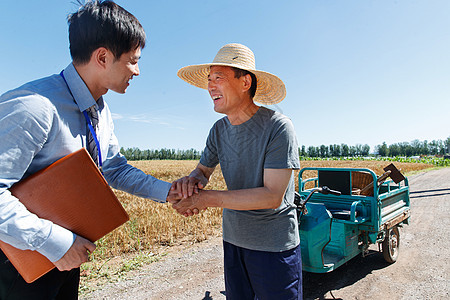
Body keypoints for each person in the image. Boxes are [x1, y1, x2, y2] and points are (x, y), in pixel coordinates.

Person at [0, 1, 179, 298]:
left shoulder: (100, 109)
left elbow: (113, 168)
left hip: (65, 256)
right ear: (103, 57)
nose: (137, 71)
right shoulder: (35, 107)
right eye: (133, 60)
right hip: (20, 262)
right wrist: (54, 241)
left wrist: (169, 192)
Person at [171, 43, 302, 299]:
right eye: (209, 80)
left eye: (218, 78)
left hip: (274, 249)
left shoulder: (278, 127)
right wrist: (190, 185)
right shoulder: (218, 130)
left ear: (245, 82)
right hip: (233, 241)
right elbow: (202, 171)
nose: (210, 86)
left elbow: (272, 196)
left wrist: (205, 199)